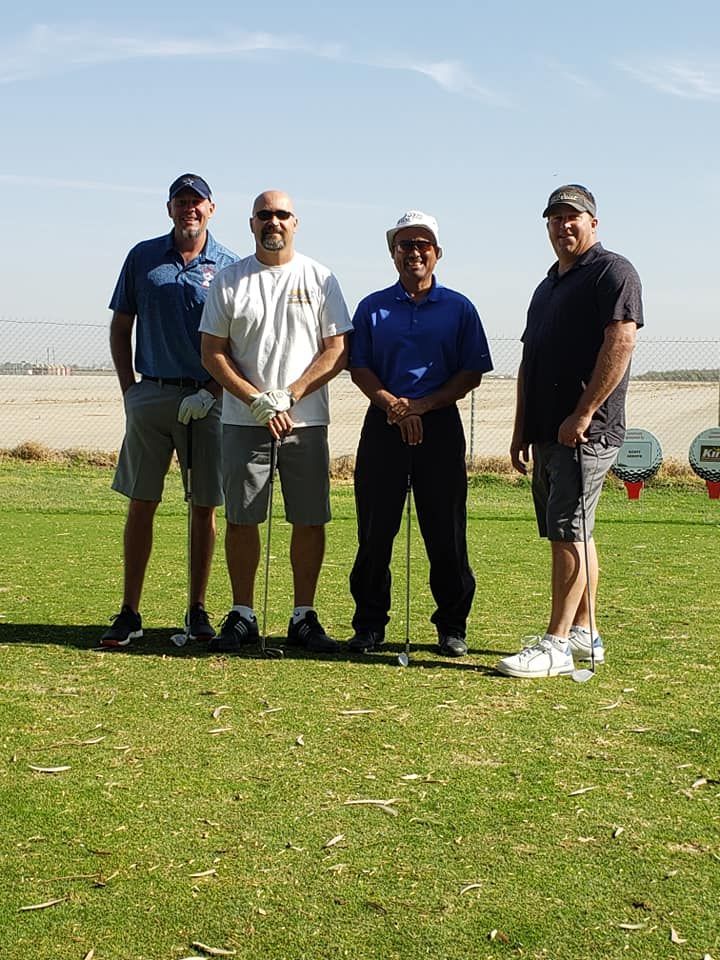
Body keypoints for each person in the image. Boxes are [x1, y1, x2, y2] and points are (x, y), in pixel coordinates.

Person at [496, 184, 643, 678]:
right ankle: (584, 632)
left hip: (585, 432)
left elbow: (620, 343)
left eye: (573, 217)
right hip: (547, 432)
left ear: (593, 223)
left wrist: (583, 413)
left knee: (568, 534)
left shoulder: (612, 272)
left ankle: (556, 644)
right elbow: (529, 359)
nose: (564, 226)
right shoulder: (548, 285)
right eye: (555, 219)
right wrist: (521, 430)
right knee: (577, 531)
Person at [200, 189, 352, 654]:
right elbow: (213, 352)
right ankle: (243, 614)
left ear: (295, 222)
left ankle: (303, 616)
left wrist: (291, 394)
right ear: (251, 224)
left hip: (305, 423)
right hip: (245, 422)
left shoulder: (320, 278)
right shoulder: (229, 280)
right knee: (243, 519)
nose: (274, 222)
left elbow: (337, 350)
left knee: (309, 519)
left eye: (282, 214)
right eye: (264, 215)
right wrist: (255, 399)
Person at [100, 174, 239, 649]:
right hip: (152, 395)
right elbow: (121, 328)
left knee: (204, 507)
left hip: (207, 400)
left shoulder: (230, 265)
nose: (190, 210)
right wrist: (130, 392)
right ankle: (130, 611)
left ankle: (197, 609)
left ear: (211, 209)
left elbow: (237, 343)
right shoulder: (143, 257)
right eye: (182, 202)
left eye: (197, 202)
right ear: (170, 209)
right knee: (142, 504)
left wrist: (215, 394)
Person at [347, 211, 493, 657]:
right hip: (383, 422)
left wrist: (422, 406)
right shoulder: (373, 307)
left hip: (440, 425)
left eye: (423, 244)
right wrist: (394, 405)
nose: (414, 252)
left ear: (437, 253)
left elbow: (472, 372)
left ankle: (452, 626)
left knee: (445, 531)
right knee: (375, 531)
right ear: (393, 255)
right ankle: (370, 626)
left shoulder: (460, 307)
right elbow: (359, 366)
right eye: (405, 245)